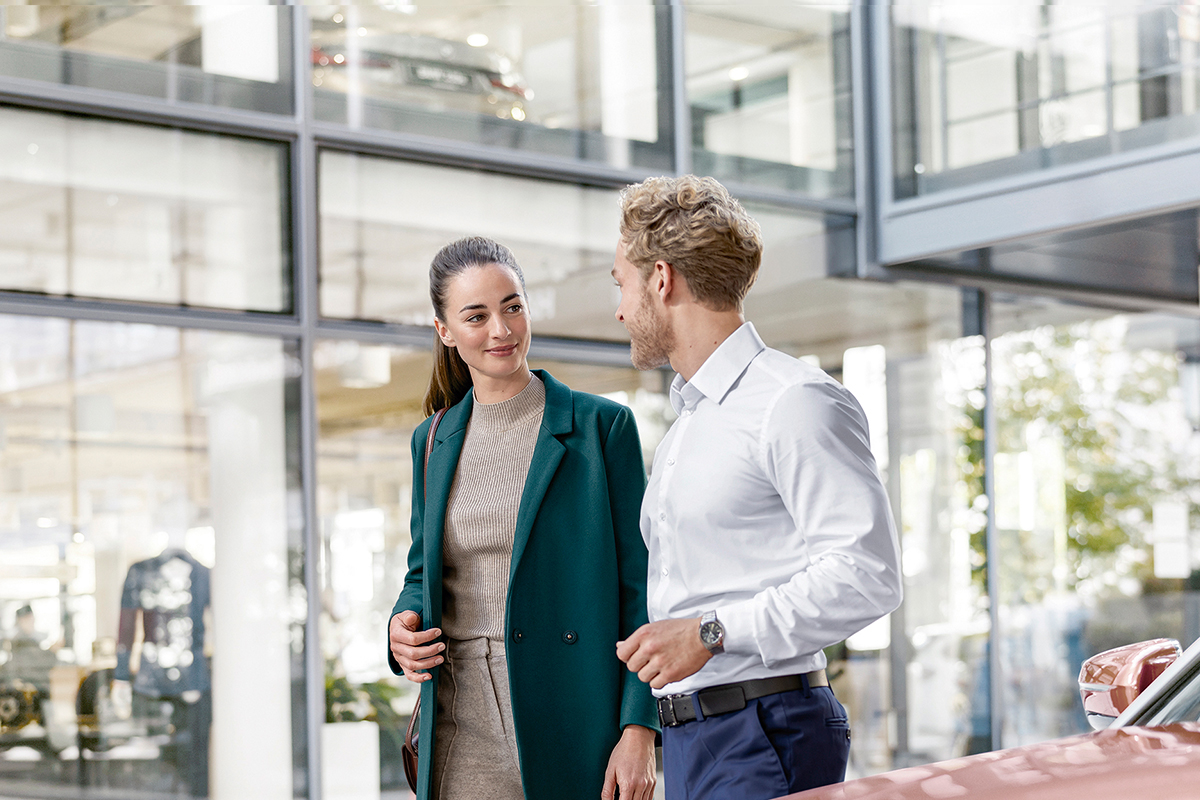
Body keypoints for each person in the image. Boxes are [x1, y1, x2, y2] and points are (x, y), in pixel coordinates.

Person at [611, 176, 903, 800]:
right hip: (694, 738)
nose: (620, 311)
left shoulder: (793, 400)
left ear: (661, 279)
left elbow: (867, 574)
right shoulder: (689, 423)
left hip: (764, 728)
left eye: (621, 285)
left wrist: (711, 632)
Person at [387, 236, 659, 800]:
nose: (501, 330)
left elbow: (643, 590)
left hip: (571, 708)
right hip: (460, 716)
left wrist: (639, 729)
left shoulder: (601, 428)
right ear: (444, 331)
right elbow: (421, 573)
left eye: (512, 306)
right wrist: (401, 625)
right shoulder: (432, 441)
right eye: (476, 316)